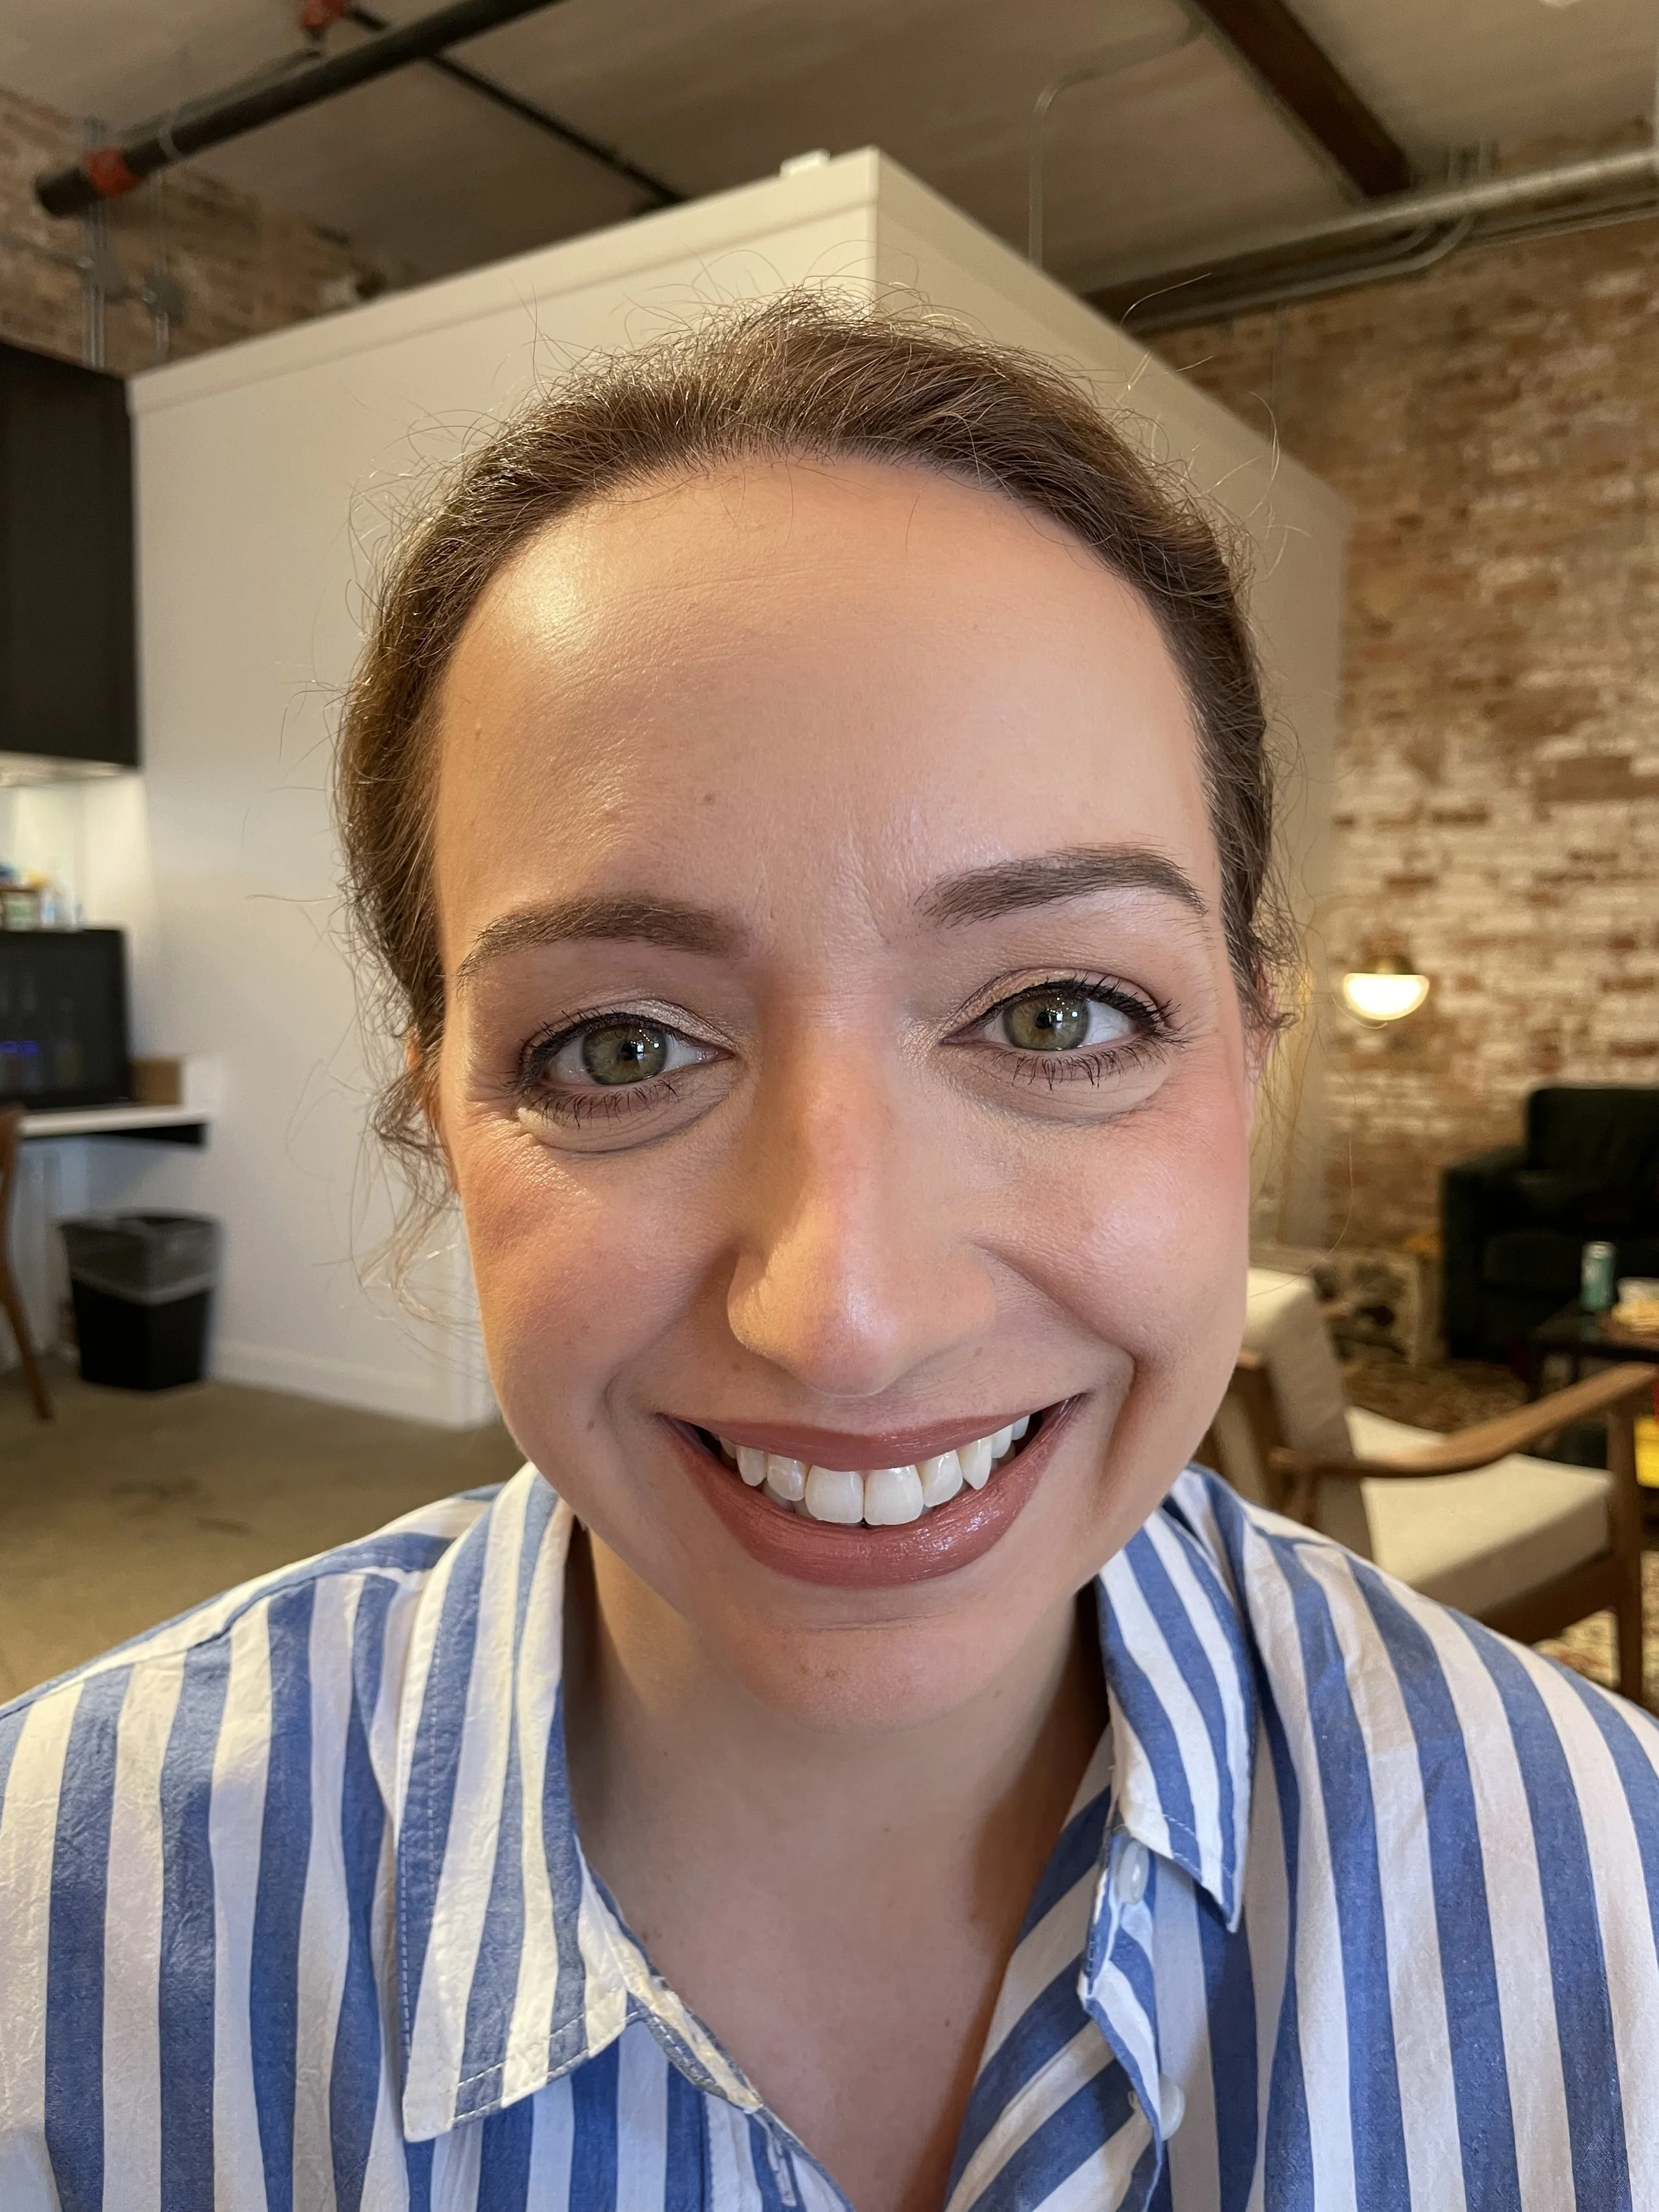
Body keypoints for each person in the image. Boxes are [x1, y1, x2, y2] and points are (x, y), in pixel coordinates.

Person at [1, 295, 1655, 2212]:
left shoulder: (1597, 1889)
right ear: (443, 1115)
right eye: (618, 1047)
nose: (844, 1316)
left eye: (1053, 1015)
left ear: (1251, 1067)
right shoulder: (64, 1927)